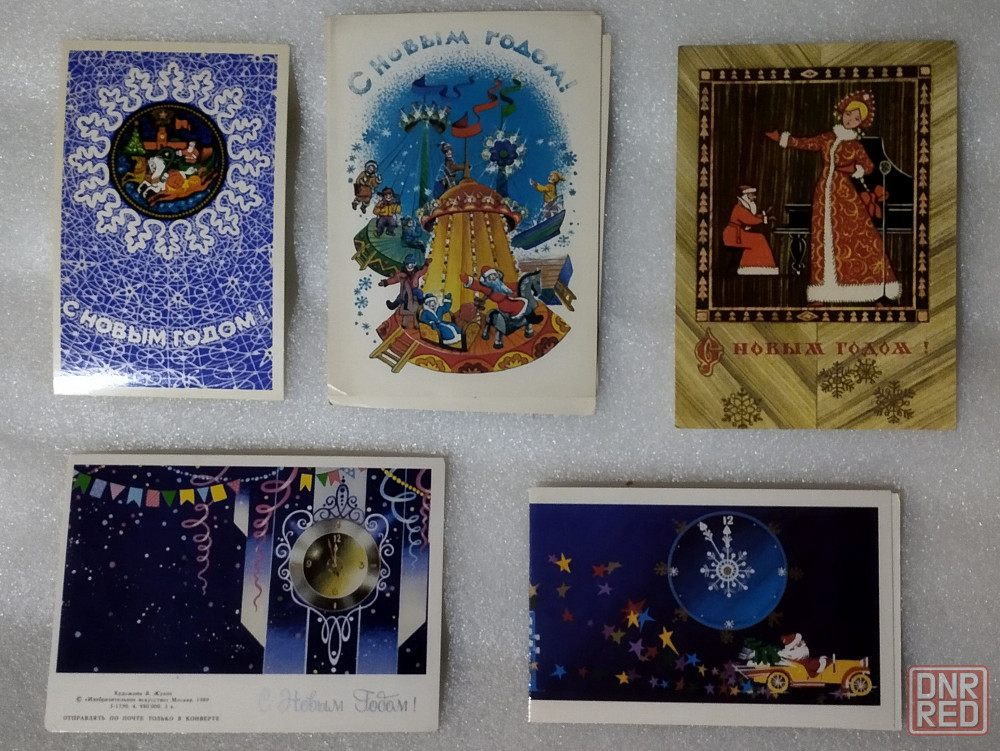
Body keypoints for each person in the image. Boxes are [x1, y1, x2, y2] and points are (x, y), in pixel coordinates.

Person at [766, 91, 899, 304]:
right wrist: (784, 138)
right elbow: (806, 143)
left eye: (856, 118)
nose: (850, 120)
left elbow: (868, 166)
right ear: (842, 114)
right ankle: (822, 292)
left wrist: (854, 169)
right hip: (823, 194)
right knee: (822, 239)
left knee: (855, 239)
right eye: (848, 115)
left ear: (860, 123)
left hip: (845, 196)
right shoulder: (827, 138)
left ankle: (874, 290)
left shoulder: (855, 146)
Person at [722, 185, 778, 275]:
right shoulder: (738, 208)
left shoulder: (743, 208)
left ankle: (751, 267)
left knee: (758, 239)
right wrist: (765, 218)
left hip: (738, 234)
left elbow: (752, 217)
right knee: (759, 239)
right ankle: (759, 267)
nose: (754, 197)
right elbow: (750, 219)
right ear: (746, 196)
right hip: (733, 235)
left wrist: (765, 215)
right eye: (752, 195)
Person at [379, 254, 429, 328]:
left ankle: (421, 303)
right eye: (408, 265)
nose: (410, 267)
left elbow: (423, 272)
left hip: (414, 291)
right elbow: (394, 279)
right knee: (400, 298)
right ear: (405, 265)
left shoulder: (417, 273)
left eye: (411, 265)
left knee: (419, 294)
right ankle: (394, 305)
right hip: (405, 291)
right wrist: (386, 282)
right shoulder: (401, 275)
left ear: (414, 265)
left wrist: (426, 264)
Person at [460, 266, 530, 319]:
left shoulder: (503, 285)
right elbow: (477, 285)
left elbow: (514, 286)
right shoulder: (487, 289)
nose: (493, 278)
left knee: (526, 308)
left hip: (515, 301)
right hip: (504, 306)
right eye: (490, 277)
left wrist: (524, 282)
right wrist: (467, 280)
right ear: (486, 279)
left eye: (494, 276)